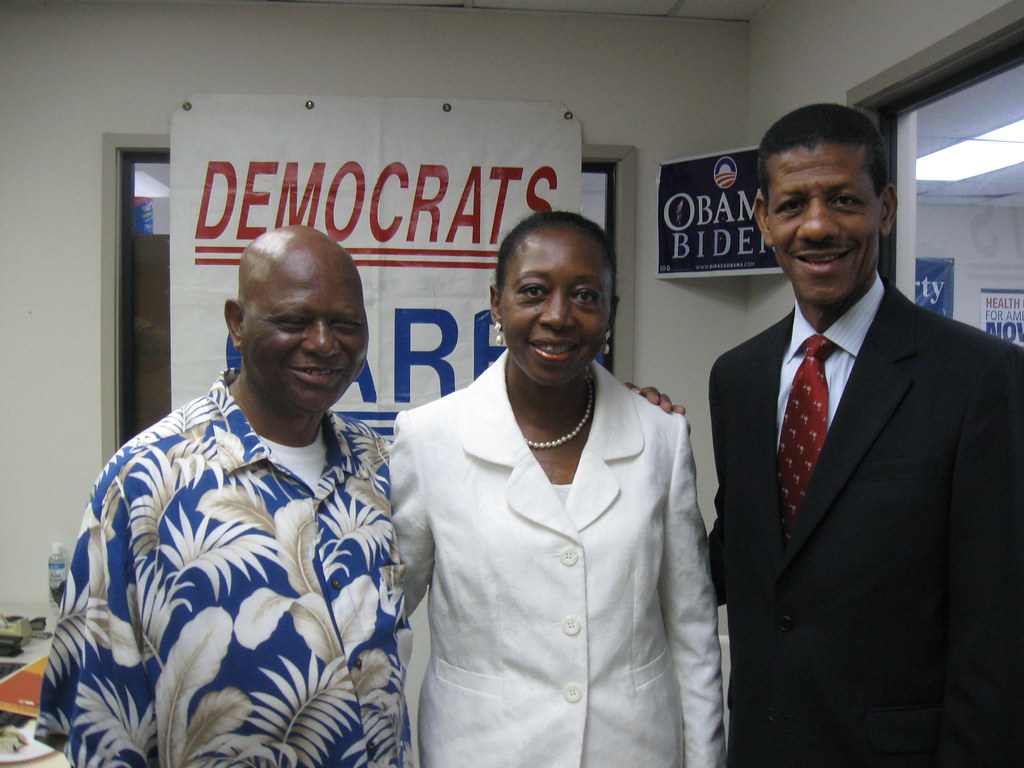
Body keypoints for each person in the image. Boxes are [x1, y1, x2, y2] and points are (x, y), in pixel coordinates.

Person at [708, 103, 1024, 767]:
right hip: (762, 749)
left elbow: (997, 625)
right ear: (763, 218)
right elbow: (743, 556)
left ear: (884, 208)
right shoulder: (737, 379)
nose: (817, 225)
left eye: (843, 200)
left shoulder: (978, 377)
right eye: (794, 204)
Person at [38, 226, 411, 768]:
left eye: (346, 324)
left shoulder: (379, 466)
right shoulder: (145, 481)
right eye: (293, 321)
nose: (325, 342)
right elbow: (99, 715)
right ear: (237, 323)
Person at [391, 210, 726, 768]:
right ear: (497, 304)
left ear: (611, 313)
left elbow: (692, 634)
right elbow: (387, 623)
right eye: (533, 291)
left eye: (586, 296)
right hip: (480, 751)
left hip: (635, 751)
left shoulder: (661, 438)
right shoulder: (429, 440)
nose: (558, 316)